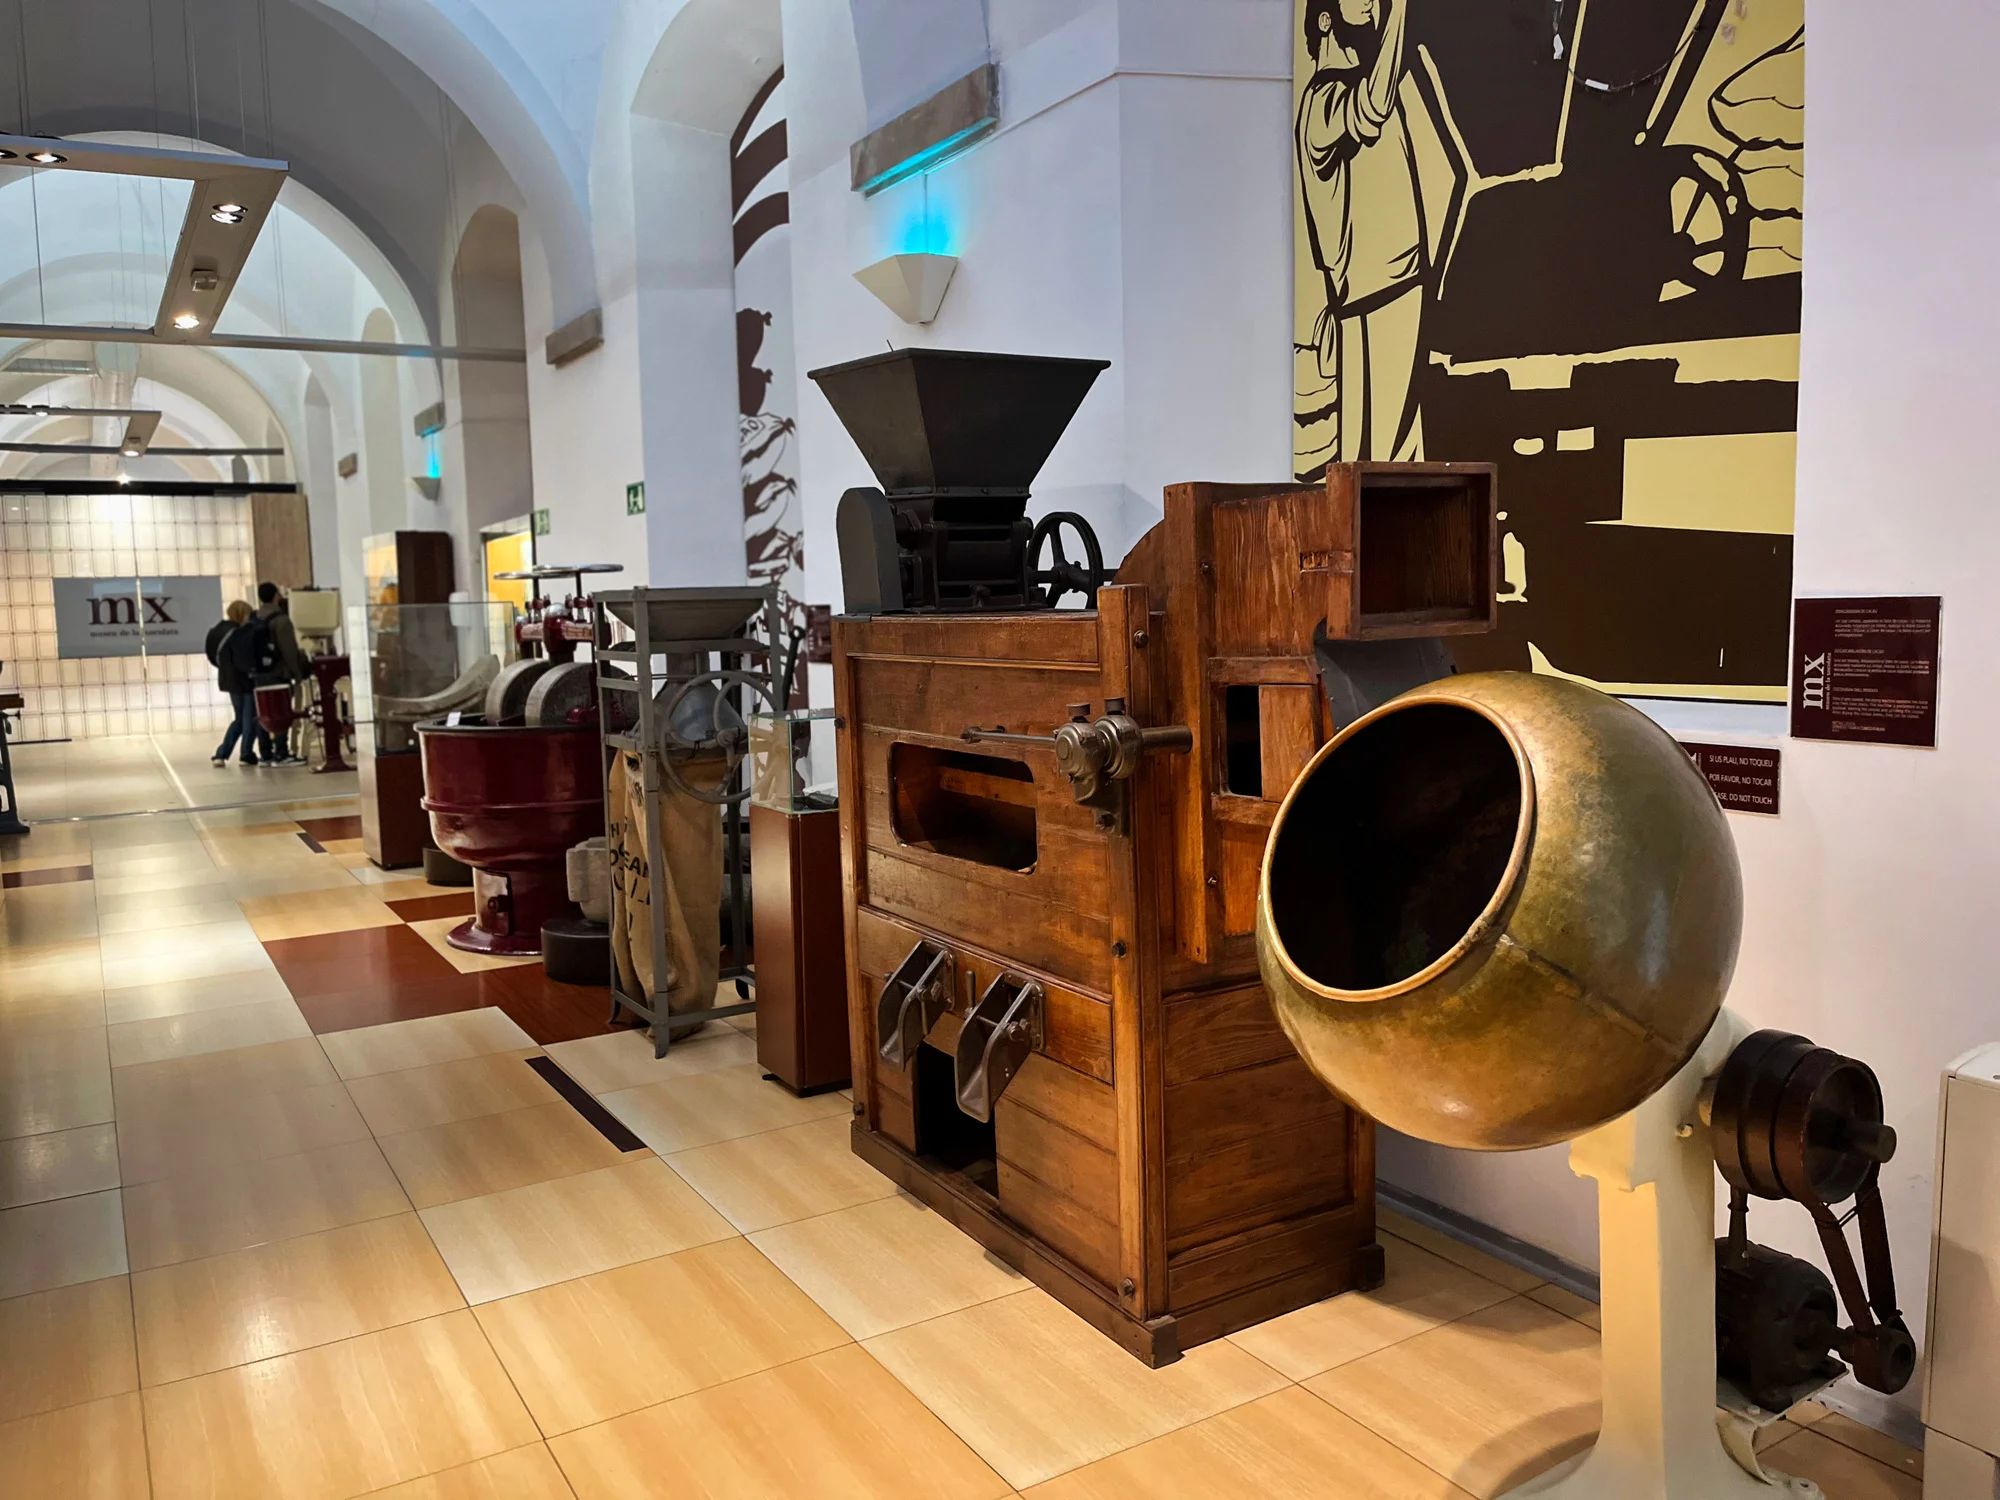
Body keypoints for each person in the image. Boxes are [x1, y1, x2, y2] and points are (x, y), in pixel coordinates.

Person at [1296, 0, 1427, 465]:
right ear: (1326, 20)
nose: (1371, 2)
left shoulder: (1356, 83)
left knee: (1399, 455)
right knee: (1375, 457)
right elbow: (1372, 106)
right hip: (1372, 295)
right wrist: (1401, 11)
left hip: (1394, 285)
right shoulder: (1322, 100)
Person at [206, 600, 267, 766]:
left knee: (240, 718)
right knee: (249, 718)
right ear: (242, 614)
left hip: (228, 679)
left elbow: (212, 656)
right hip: (243, 679)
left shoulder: (216, 631)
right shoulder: (239, 632)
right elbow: (244, 657)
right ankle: (245, 753)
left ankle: (221, 754)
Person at [254, 582, 307, 765]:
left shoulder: (254, 617)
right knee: (280, 711)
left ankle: (265, 754)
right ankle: (281, 752)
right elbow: (288, 650)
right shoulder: (281, 620)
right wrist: (297, 674)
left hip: (258, 673)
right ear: (276, 596)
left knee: (263, 712)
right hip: (278, 673)